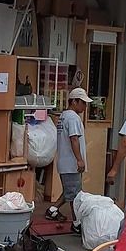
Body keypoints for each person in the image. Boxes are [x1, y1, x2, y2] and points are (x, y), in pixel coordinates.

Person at [46, 87, 93, 233]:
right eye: (83, 103)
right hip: (71, 163)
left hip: (64, 162)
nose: (85, 106)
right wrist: (79, 159)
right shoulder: (73, 118)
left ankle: (53, 210)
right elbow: (74, 139)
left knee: (70, 191)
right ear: (74, 101)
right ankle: (77, 223)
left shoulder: (63, 116)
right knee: (75, 194)